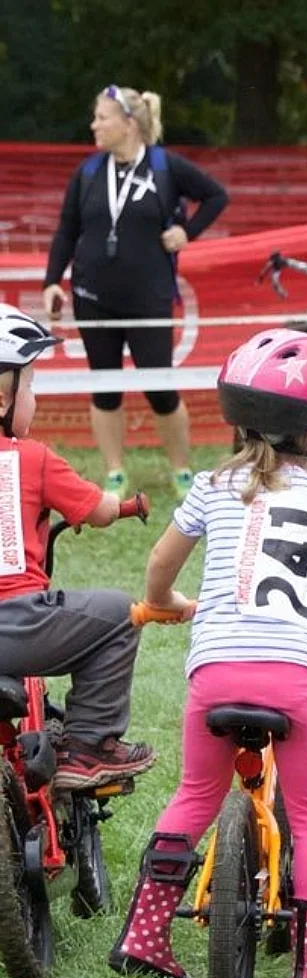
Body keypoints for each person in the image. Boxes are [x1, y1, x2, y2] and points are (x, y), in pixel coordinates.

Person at [108, 328, 307, 978]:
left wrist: (165, 602)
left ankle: (144, 934)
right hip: (293, 680)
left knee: (193, 795)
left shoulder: (215, 485)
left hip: (213, 672)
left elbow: (160, 563)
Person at [41, 85, 229, 498]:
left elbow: (217, 196)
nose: (94, 124)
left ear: (129, 123)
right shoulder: (89, 172)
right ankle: (114, 471)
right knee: (104, 386)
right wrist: (53, 281)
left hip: (149, 297)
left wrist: (188, 232)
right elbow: (67, 230)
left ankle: (181, 470)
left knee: (160, 387)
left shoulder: (165, 166)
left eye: (102, 117)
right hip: (92, 296)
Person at [0, 304, 156, 791]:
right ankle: (87, 747)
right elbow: (100, 509)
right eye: (30, 386)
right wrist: (119, 505)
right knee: (119, 615)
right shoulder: (31, 457)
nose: (35, 398)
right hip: (14, 624)